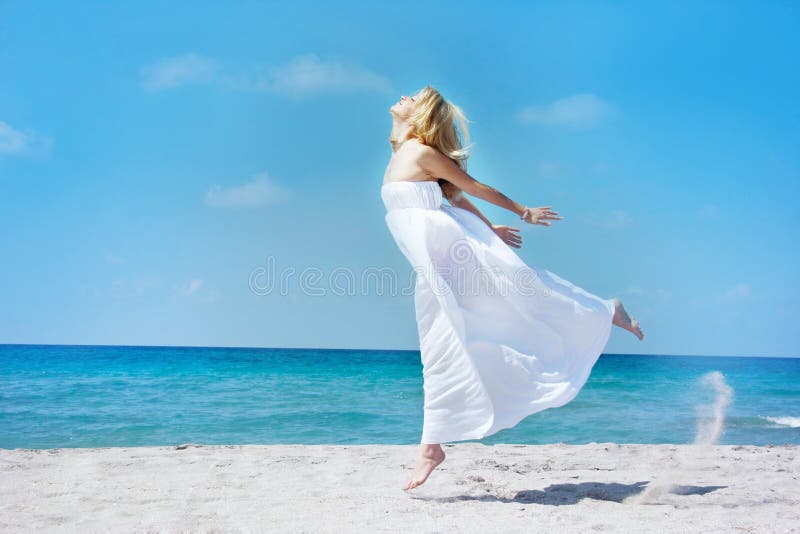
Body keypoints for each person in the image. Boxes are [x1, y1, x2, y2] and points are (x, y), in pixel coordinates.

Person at [381, 86, 644, 492]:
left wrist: (522, 212)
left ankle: (604, 311)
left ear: (421, 116)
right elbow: (450, 199)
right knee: (443, 344)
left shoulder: (419, 152)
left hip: (452, 253)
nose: (403, 96)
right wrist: (490, 230)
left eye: (412, 97)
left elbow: (471, 187)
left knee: (520, 299)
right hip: (436, 261)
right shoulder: (401, 152)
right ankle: (431, 445)